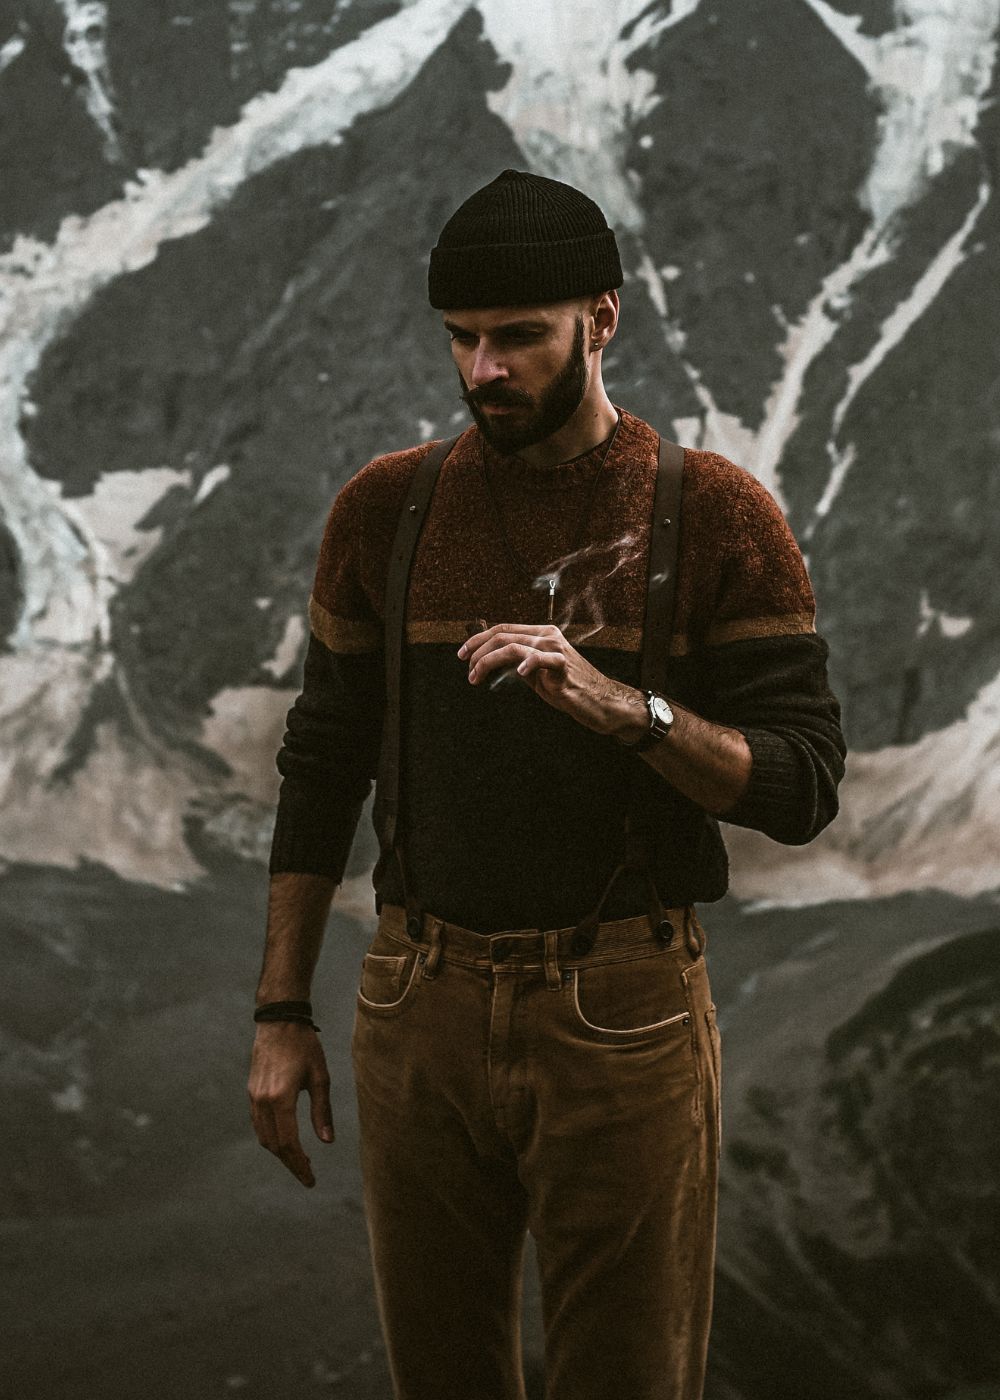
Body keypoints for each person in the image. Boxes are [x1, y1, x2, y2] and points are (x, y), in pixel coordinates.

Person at [248, 169, 846, 1400]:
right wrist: (278, 1011)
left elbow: (801, 783)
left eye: (518, 335)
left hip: (622, 1006)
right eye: (462, 338)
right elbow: (321, 761)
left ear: (602, 319)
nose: (483, 369)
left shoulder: (714, 512)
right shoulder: (384, 510)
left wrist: (626, 708)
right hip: (415, 997)